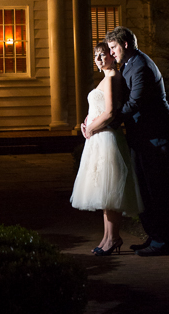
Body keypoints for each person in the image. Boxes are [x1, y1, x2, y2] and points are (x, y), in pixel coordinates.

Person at [105, 26, 169, 257]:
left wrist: (110, 122)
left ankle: (163, 243)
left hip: (157, 136)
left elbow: (134, 102)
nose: (111, 53)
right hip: (142, 137)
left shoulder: (141, 66)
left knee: (159, 190)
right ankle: (154, 237)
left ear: (125, 44)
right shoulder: (129, 64)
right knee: (146, 191)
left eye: (113, 47)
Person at [70, 41, 143, 256]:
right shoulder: (104, 78)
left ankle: (113, 238)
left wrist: (91, 127)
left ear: (112, 56)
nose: (99, 59)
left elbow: (111, 112)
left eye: (103, 55)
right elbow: (99, 107)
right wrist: (87, 122)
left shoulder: (112, 78)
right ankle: (107, 237)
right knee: (104, 191)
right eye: (96, 56)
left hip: (107, 138)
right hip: (97, 137)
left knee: (110, 190)